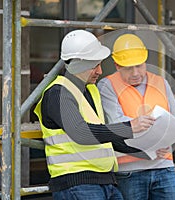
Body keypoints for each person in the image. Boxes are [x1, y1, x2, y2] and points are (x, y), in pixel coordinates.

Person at [34, 30, 155, 200]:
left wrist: (147, 150)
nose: (99, 71)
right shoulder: (58, 93)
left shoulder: (91, 91)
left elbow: (104, 137)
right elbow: (81, 133)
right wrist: (129, 127)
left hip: (105, 181)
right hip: (76, 183)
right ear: (77, 64)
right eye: (94, 65)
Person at [98, 33, 175, 200]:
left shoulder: (161, 82)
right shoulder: (107, 85)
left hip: (164, 166)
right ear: (117, 65)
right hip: (130, 170)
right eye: (128, 67)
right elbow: (118, 125)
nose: (135, 72)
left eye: (140, 66)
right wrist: (152, 145)